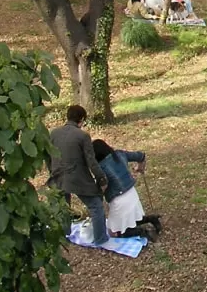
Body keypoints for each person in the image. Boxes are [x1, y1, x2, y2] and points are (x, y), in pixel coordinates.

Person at [48, 105, 109, 245]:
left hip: (57, 176)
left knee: (63, 208)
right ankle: (100, 239)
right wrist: (101, 178)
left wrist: (51, 171)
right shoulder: (82, 136)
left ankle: (63, 236)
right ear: (81, 120)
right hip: (77, 177)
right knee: (96, 206)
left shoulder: (54, 133)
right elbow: (91, 162)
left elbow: (48, 156)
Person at [91, 139, 161, 239]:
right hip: (132, 194)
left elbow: (104, 185)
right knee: (130, 219)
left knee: (113, 232)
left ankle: (142, 232)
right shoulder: (119, 154)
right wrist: (140, 168)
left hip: (119, 200)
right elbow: (141, 156)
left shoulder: (100, 167)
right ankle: (151, 219)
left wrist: (97, 196)